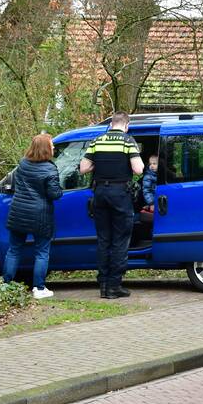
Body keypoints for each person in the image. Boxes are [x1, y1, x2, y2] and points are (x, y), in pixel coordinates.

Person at [79, 112, 144, 299]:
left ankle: (103, 285)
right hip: (120, 195)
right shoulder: (127, 141)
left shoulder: (97, 140)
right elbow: (138, 169)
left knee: (103, 240)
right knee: (120, 240)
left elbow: (83, 168)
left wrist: (97, 166)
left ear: (111, 124)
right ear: (126, 125)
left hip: (99, 194)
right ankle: (114, 286)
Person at [3, 133, 63, 300]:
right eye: (51, 145)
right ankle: (39, 288)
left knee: (14, 250)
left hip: (18, 212)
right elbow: (54, 194)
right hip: (40, 215)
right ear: (45, 148)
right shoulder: (50, 169)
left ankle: (6, 286)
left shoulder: (22, 164)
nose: (53, 147)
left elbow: (15, 186)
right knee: (42, 252)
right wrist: (61, 189)